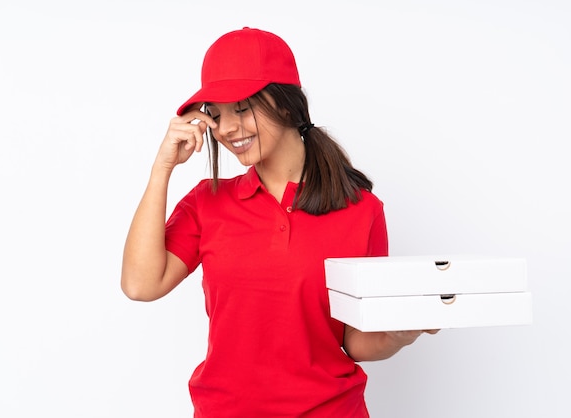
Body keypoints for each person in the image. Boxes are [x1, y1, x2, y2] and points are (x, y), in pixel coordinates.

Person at [121, 27, 436, 418]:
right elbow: (140, 284)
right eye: (216, 115)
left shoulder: (361, 210)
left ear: (286, 105)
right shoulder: (208, 202)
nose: (228, 129)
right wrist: (162, 168)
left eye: (242, 108)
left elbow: (356, 340)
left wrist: (400, 334)